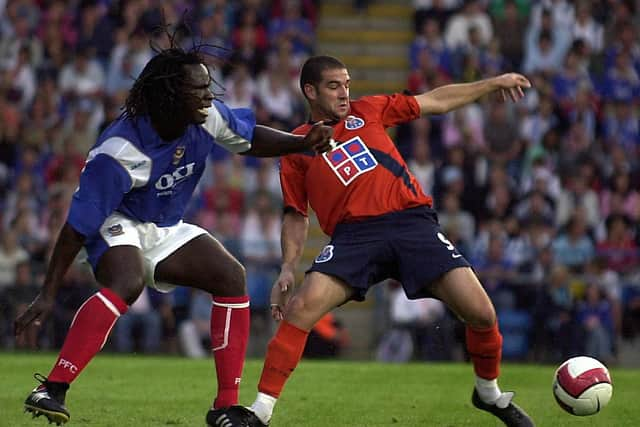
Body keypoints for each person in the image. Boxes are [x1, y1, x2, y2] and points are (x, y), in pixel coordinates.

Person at [14, 40, 333, 427]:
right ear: (169, 95)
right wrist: (47, 293)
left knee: (232, 278)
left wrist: (301, 143)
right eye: (197, 89)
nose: (207, 95)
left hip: (164, 226)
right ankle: (52, 388)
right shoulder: (120, 151)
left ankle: (225, 409)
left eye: (206, 87)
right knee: (127, 281)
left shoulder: (203, 116)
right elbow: (76, 228)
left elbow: (251, 140)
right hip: (116, 222)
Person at [219, 55, 534, 427]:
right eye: (334, 86)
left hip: (411, 224)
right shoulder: (295, 147)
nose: (344, 93)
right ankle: (260, 412)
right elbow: (295, 213)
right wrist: (288, 267)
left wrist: (491, 83)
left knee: (482, 313)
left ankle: (489, 395)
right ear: (310, 91)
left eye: (347, 84)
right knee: (301, 307)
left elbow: (435, 100)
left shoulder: (369, 110)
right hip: (355, 236)